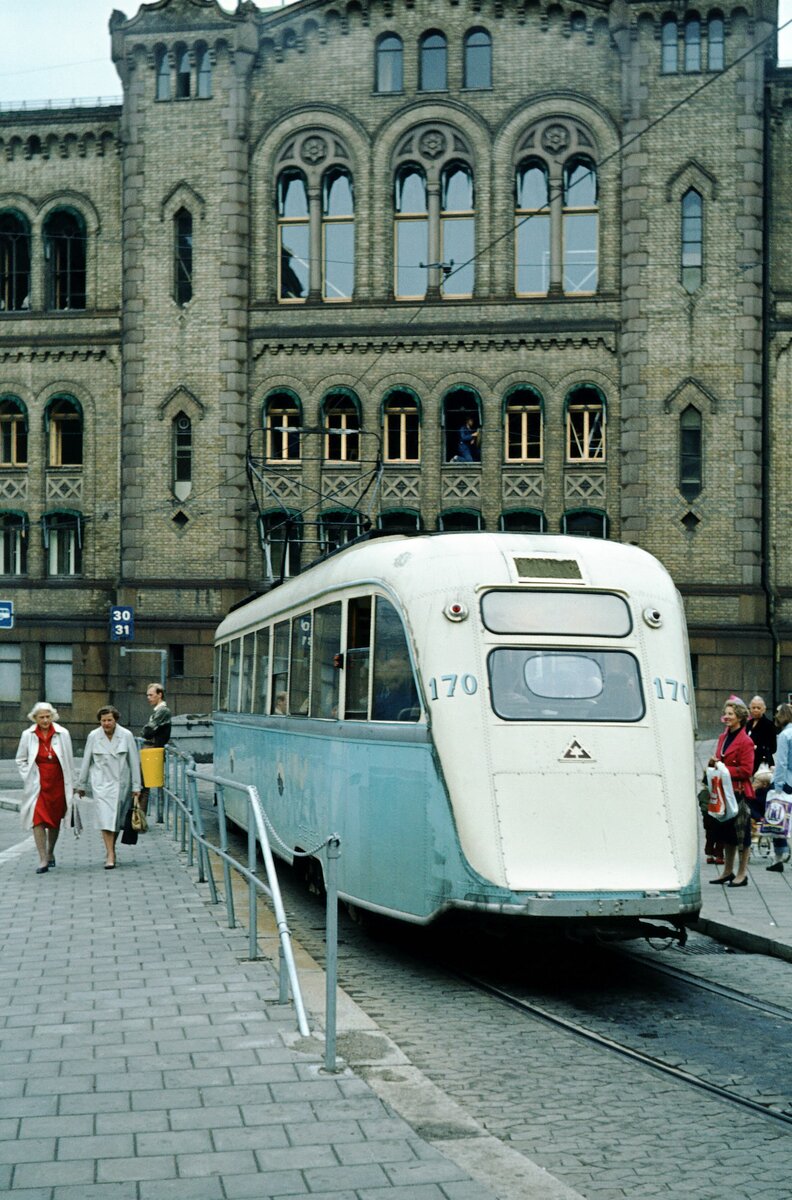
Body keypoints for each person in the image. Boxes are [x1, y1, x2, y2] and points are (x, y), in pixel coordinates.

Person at [77, 706, 141, 869]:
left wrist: (136, 786)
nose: (106, 724)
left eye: (109, 720)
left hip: (121, 783)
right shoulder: (94, 736)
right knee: (105, 818)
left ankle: (111, 849)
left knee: (116, 819)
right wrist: (81, 784)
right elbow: (86, 760)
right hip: (101, 784)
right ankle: (110, 853)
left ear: (116, 720)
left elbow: (134, 762)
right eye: (103, 720)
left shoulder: (126, 735)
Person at [15, 702, 75, 875]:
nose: (45, 720)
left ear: (53, 716)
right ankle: (42, 858)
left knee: (54, 820)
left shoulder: (63, 733)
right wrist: (28, 775)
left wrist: (74, 783)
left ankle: (50, 852)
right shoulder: (28, 735)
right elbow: (21, 759)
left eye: (48, 716)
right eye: (41, 717)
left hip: (58, 780)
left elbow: (69, 760)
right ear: (35, 718)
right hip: (38, 783)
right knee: (38, 819)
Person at [708, 700, 755, 887]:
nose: (726, 717)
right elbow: (721, 760)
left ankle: (742, 874)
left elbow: (746, 770)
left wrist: (724, 768)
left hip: (738, 793)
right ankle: (728, 871)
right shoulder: (722, 737)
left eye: (730, 714)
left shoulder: (746, 741)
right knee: (727, 834)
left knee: (741, 835)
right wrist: (714, 763)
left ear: (740, 717)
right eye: (725, 713)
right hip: (723, 791)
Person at [139, 682, 171, 814]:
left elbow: (148, 730)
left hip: (153, 748)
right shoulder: (159, 711)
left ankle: (139, 817)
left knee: (143, 784)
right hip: (152, 748)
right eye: (147, 695)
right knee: (143, 784)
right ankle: (140, 816)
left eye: (151, 695)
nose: (148, 697)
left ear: (160, 695)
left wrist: (145, 732)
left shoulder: (163, 711)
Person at [768, 702, 792, 872]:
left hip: (786, 781)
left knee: (777, 818)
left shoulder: (784, 735)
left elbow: (782, 762)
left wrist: (776, 787)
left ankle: (778, 857)